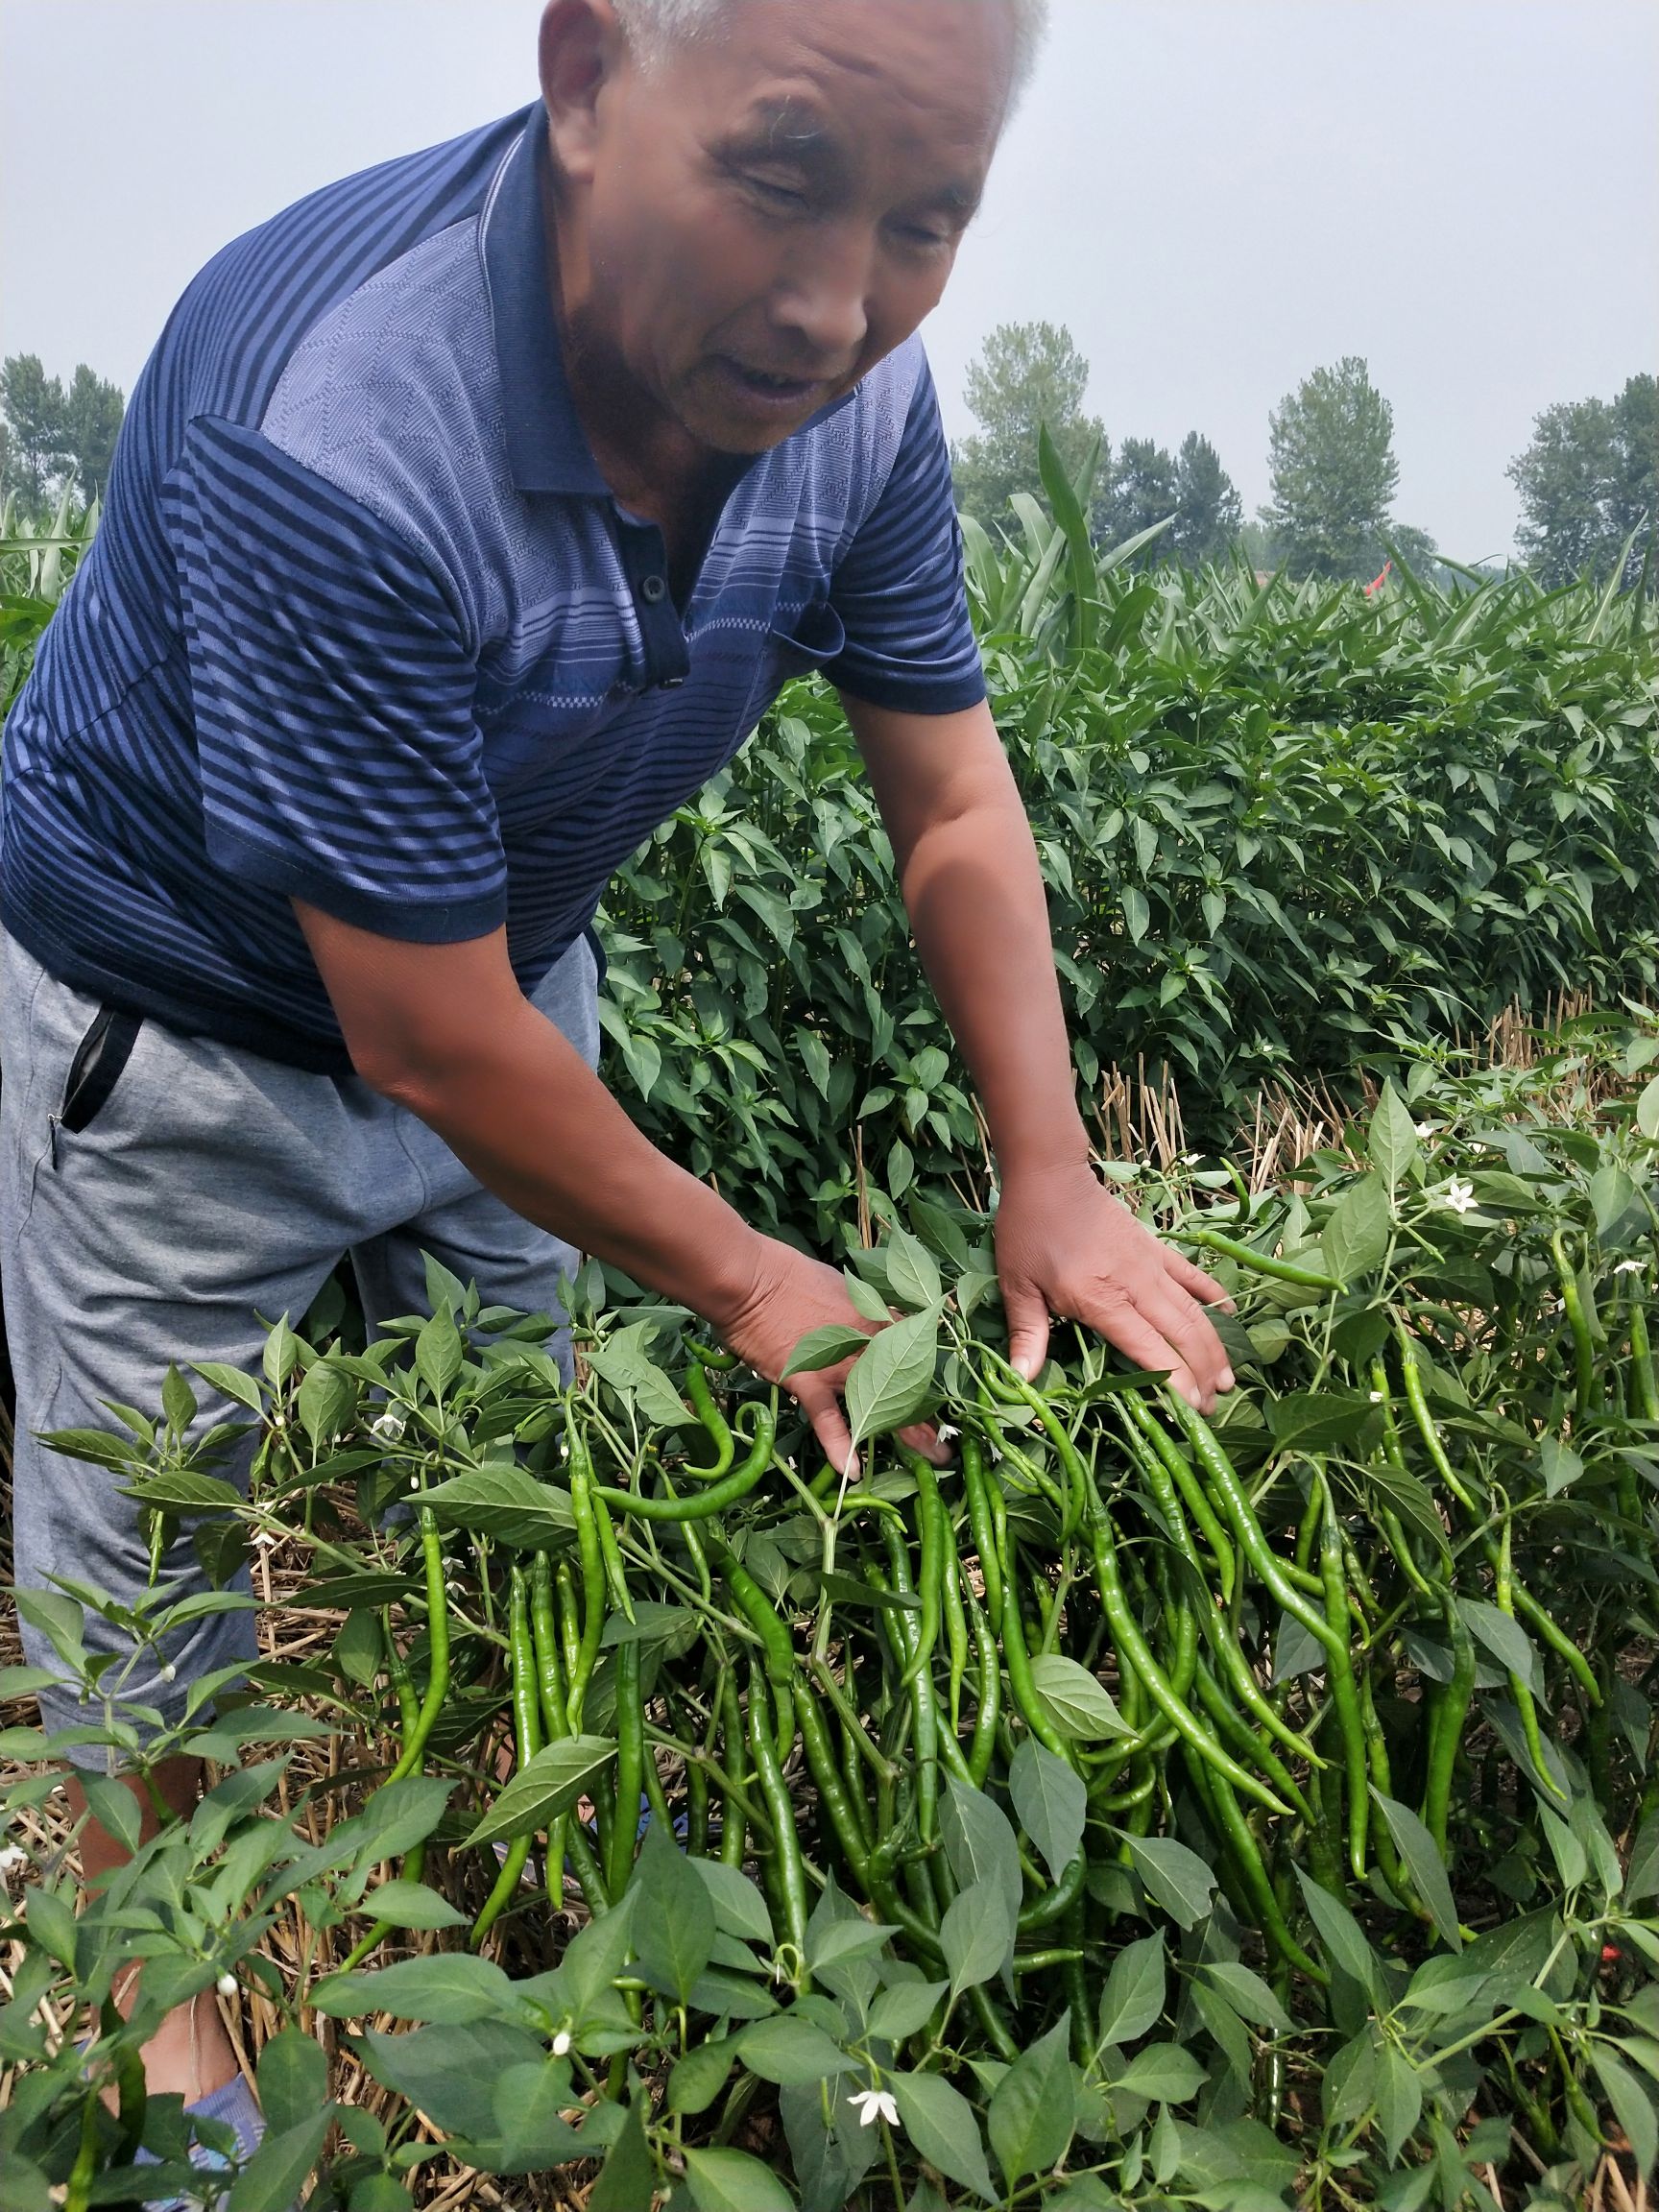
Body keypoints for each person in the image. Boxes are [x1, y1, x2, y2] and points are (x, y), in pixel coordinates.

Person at [0, 0, 1232, 2143]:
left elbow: (949, 805)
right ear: (586, 80)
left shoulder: (857, 405)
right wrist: (754, 1276)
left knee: (520, 1488)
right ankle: (186, 2113)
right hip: (179, 1033)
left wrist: (1054, 1163)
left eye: (925, 220)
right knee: (148, 1624)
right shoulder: (341, 412)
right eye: (779, 172)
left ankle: (484, 1964)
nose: (837, 302)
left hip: (509, 1007)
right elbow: (415, 1027)